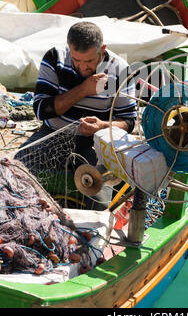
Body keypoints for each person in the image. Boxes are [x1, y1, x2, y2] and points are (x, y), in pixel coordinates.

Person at [17, 21, 137, 208]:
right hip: (52, 135)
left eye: (89, 61)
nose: (82, 67)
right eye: (76, 60)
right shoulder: (55, 58)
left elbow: (129, 121)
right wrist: (83, 89)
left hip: (96, 144)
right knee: (15, 172)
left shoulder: (119, 69)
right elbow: (42, 110)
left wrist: (102, 126)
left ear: (102, 49)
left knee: (99, 199)